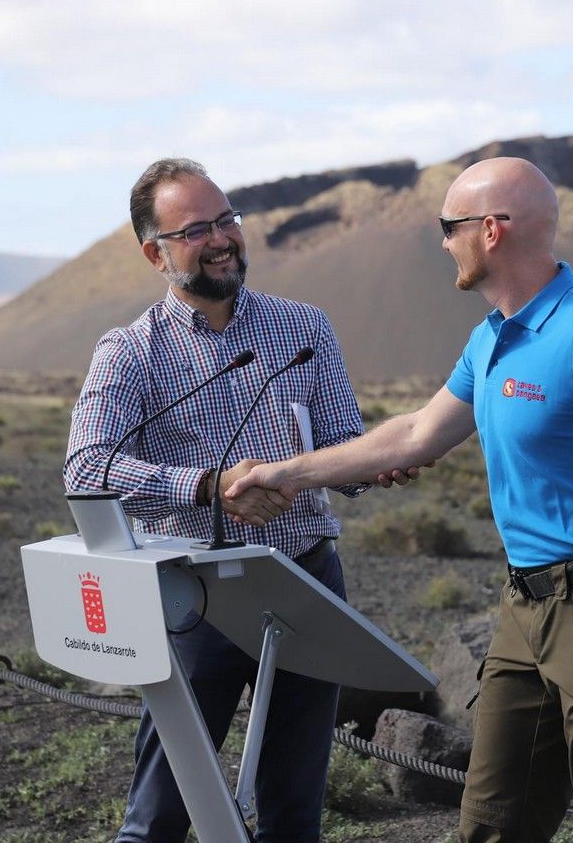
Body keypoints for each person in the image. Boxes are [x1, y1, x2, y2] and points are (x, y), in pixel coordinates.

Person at [226, 156, 573, 843]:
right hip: (526, 607)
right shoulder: (491, 338)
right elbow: (418, 434)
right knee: (494, 820)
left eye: (448, 226)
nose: (443, 241)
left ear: (490, 230)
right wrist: (289, 473)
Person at [64, 157, 374, 843]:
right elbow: (86, 467)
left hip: (307, 581)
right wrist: (208, 487)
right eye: (197, 228)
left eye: (227, 218)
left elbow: (342, 447)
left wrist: (371, 463)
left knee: (294, 816)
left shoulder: (305, 329)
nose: (222, 237)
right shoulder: (129, 352)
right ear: (156, 252)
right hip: (194, 597)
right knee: (161, 815)